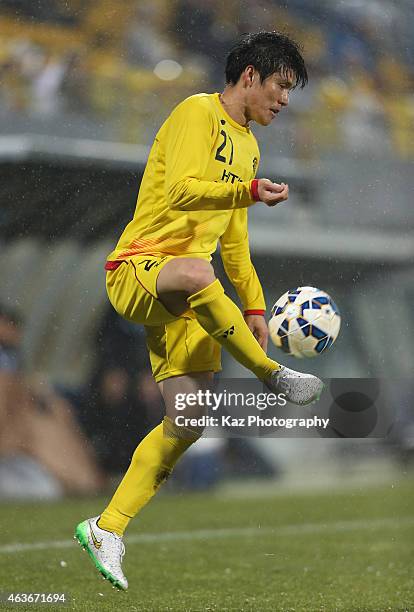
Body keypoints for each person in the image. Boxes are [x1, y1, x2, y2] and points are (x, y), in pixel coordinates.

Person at [75, 31, 323, 590]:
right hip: (141, 268)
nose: (285, 101)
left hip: (190, 298)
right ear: (250, 76)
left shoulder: (250, 145)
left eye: (291, 92)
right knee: (196, 270)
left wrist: (254, 305)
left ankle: (107, 527)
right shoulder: (196, 112)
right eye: (281, 86)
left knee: (187, 420)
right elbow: (185, 192)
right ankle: (272, 376)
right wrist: (251, 190)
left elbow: (233, 242)